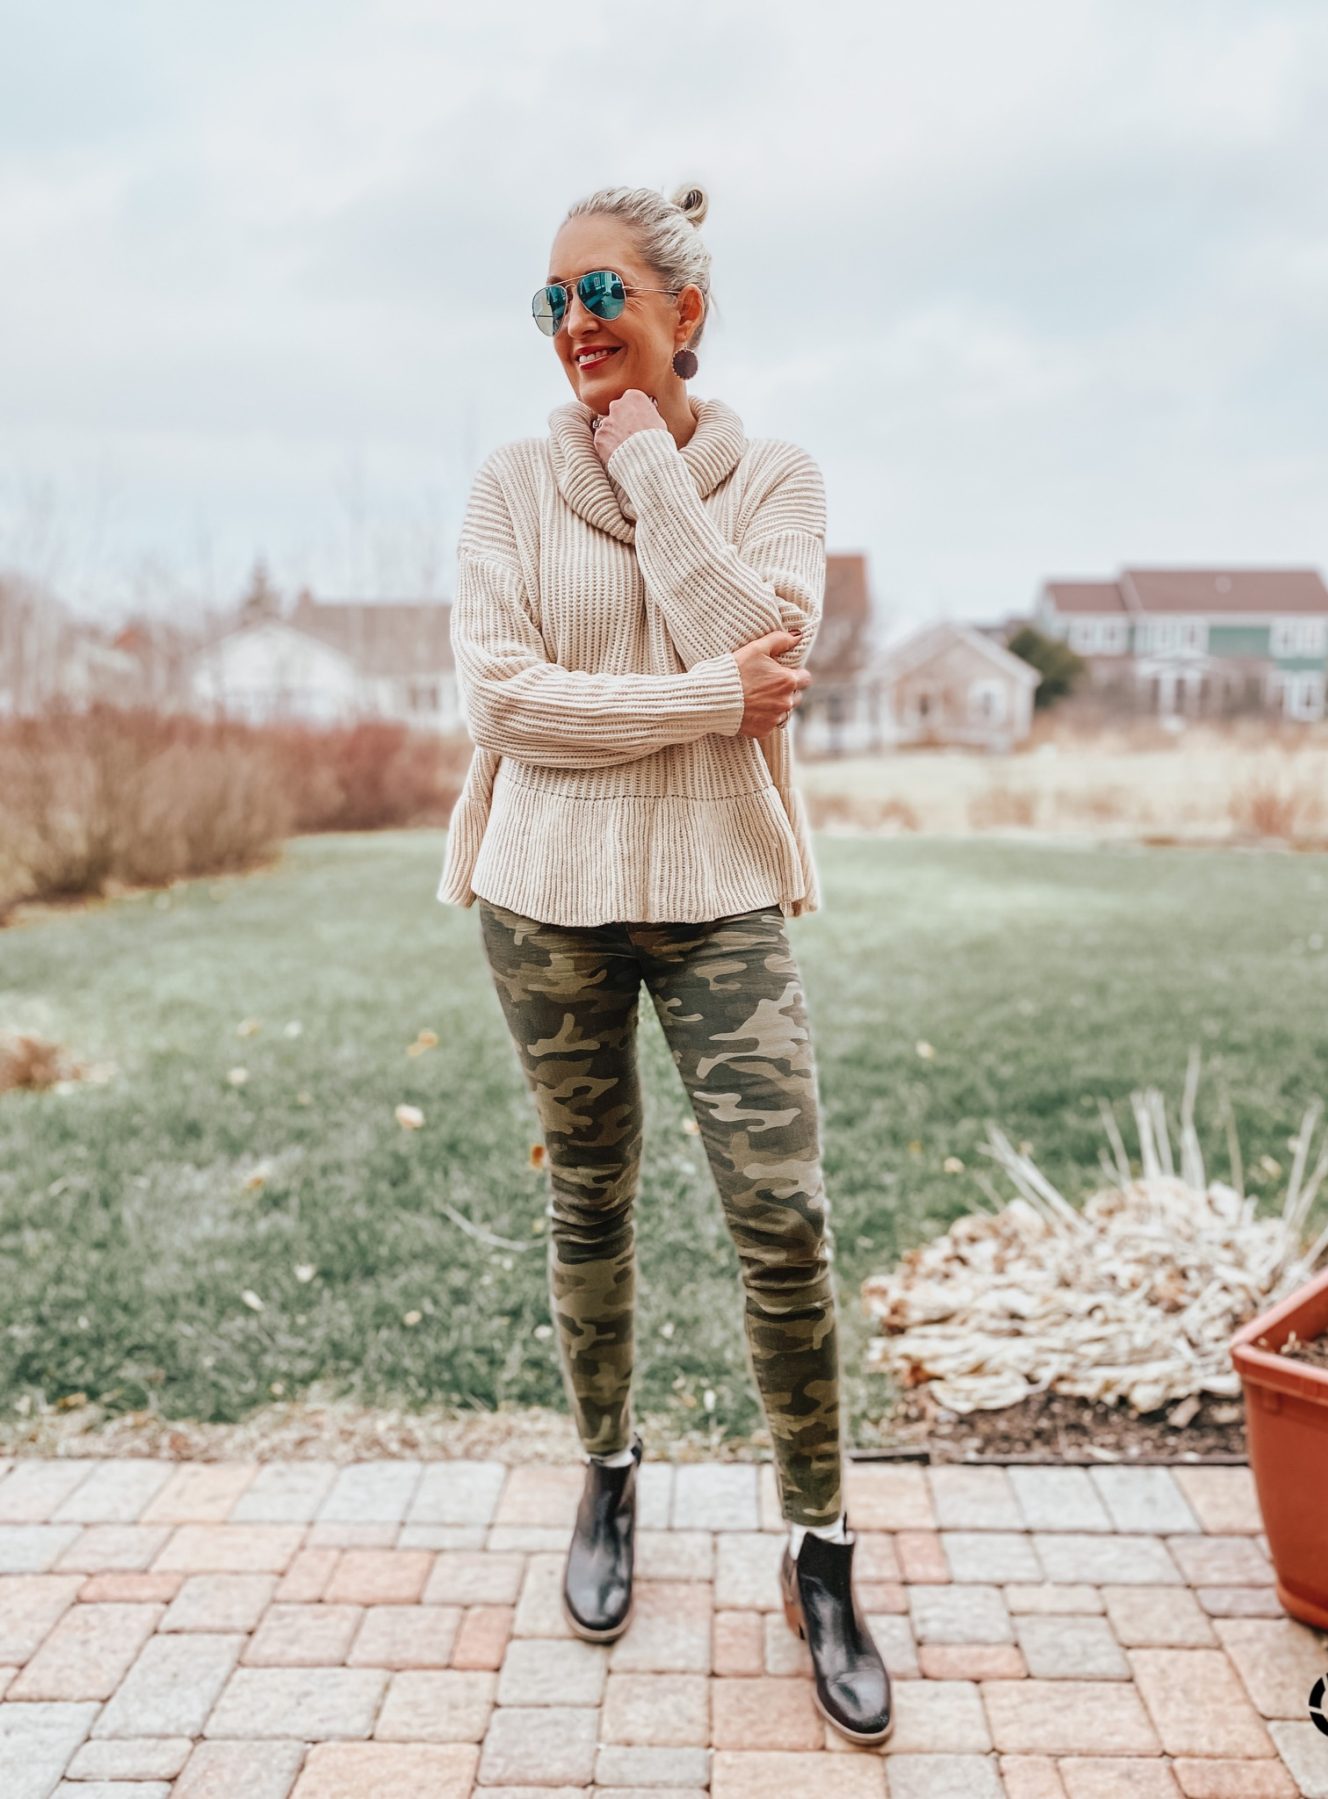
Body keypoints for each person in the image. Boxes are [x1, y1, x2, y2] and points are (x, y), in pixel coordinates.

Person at [438, 180, 892, 1746]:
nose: (576, 326)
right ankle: (609, 1478)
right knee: (590, 1197)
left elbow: (762, 639)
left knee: (782, 1211)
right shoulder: (504, 486)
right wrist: (699, 705)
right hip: (544, 897)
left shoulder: (777, 475)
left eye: (603, 294)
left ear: (683, 312)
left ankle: (822, 1546)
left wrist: (647, 462)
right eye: (553, 301)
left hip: (719, 895)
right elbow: (506, 704)